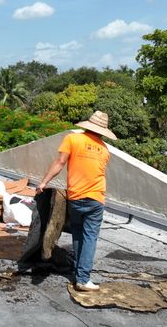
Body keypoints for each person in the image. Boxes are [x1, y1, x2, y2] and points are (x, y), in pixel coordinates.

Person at [36, 110, 117, 292]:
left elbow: (59, 163)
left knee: (78, 235)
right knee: (89, 238)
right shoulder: (104, 150)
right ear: (103, 131)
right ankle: (83, 278)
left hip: (75, 197)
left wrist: (43, 182)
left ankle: (78, 274)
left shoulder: (72, 139)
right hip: (95, 199)